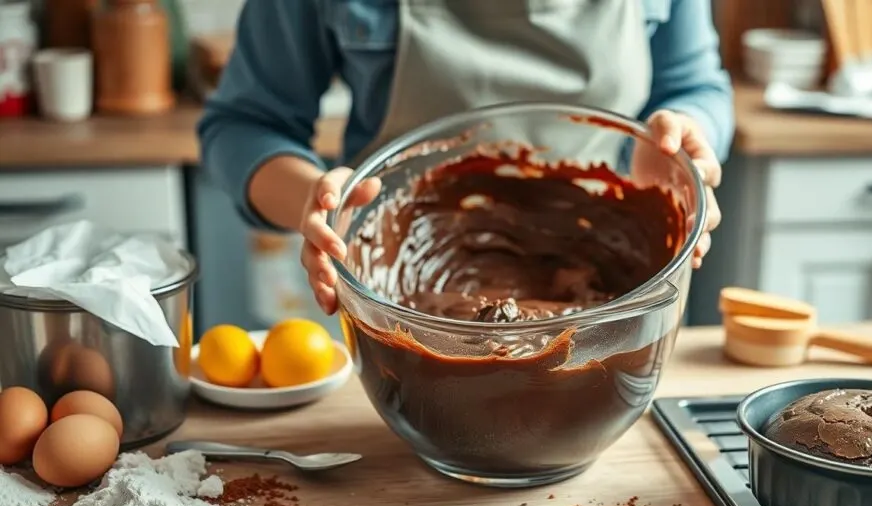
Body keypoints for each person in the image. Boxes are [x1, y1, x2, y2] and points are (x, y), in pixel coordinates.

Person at [199, 0, 734, 315]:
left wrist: (685, 140)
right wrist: (320, 203)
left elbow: (695, 86)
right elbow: (243, 125)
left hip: (609, 304)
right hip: (390, 302)